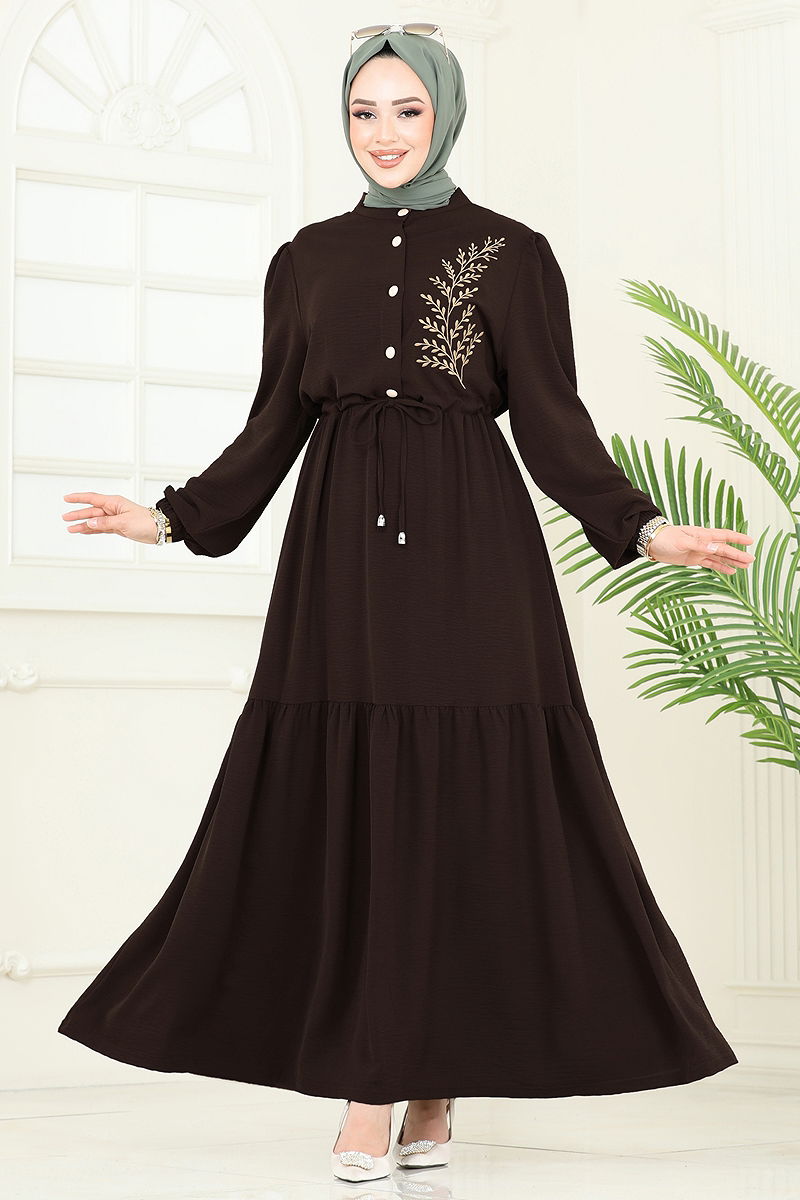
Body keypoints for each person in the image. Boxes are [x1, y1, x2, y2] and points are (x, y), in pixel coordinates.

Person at [57, 24, 753, 1185]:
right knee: (361, 804)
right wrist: (171, 517)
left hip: (472, 555)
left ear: (445, 113)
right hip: (337, 559)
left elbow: (549, 418)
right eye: (362, 112)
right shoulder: (306, 259)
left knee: (459, 808)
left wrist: (638, 525)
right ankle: (379, 1081)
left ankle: (413, 1086)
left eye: (406, 110)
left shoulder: (510, 254)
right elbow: (275, 422)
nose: (382, 133)